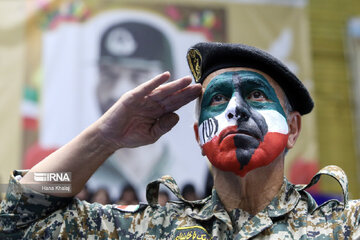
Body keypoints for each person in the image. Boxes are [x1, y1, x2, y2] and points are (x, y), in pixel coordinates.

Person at [1, 42, 360, 239]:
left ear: (293, 129)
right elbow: (16, 221)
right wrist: (102, 138)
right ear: (198, 133)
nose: (235, 110)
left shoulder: (346, 226)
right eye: (217, 99)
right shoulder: (149, 230)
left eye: (255, 94)